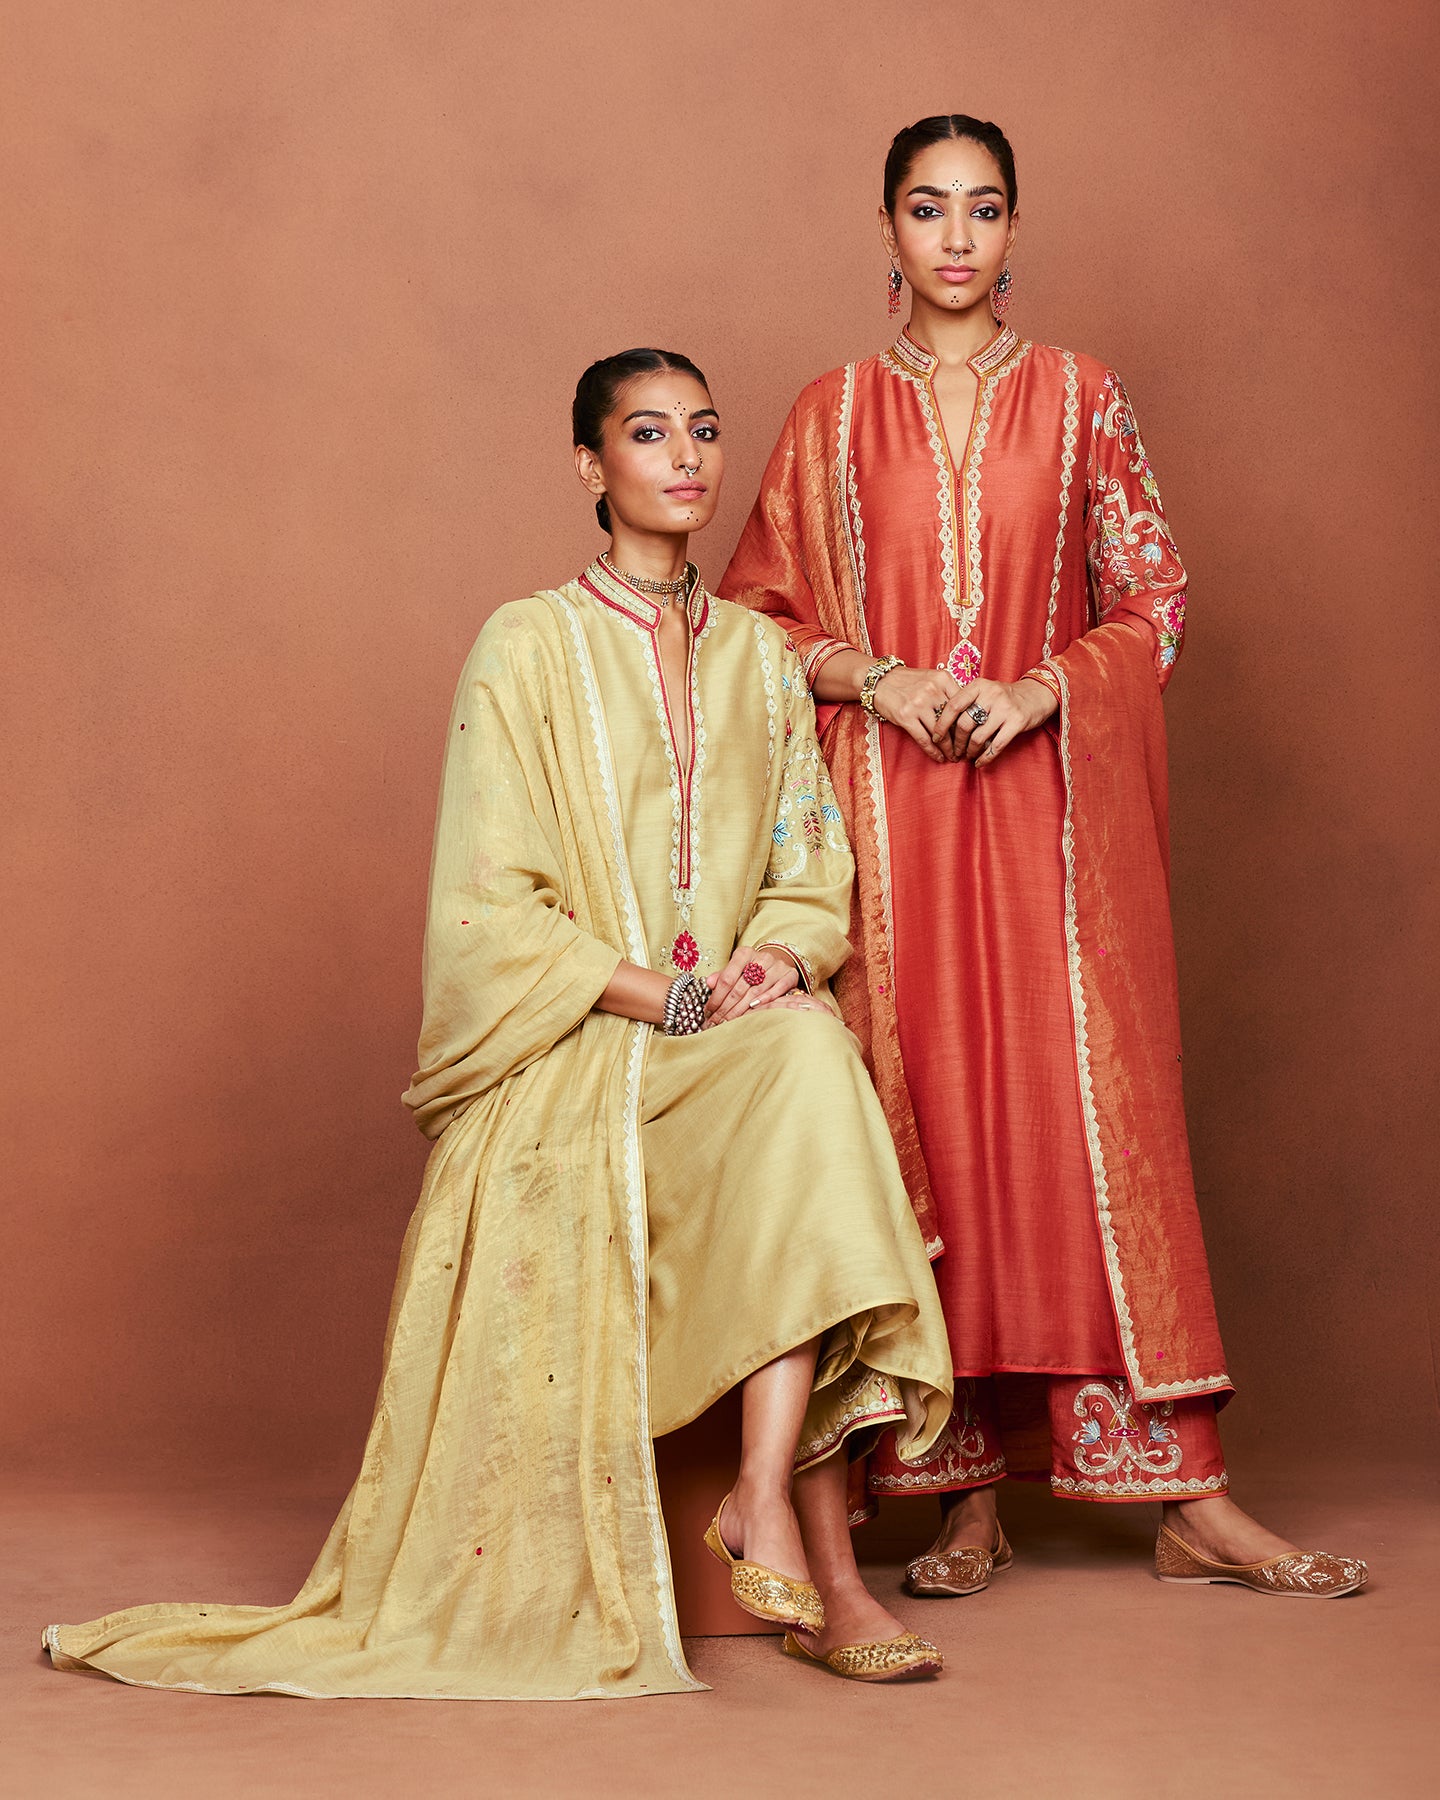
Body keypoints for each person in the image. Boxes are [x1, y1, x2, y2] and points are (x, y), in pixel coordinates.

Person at [42, 349, 956, 1701]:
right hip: (582, 1045)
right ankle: (812, 1560)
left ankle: (767, 1498)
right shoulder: (528, 645)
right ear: (592, 465)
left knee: (812, 1054)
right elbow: (487, 910)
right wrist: (662, 996)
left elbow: (811, 863)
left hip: (735, 1039)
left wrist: (773, 960)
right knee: (804, 1078)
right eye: (650, 433)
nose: (687, 457)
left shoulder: (763, 660)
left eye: (704, 431)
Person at [720, 117, 1367, 1601]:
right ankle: (963, 1496)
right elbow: (754, 617)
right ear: (886, 229)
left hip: (1051, 815)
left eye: (984, 208)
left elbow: (1155, 601)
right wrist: (882, 681)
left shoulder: (1083, 399)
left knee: (1078, 1130)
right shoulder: (828, 416)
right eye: (928, 208)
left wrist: (1037, 690)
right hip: (890, 815)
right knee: (932, 1129)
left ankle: (1188, 1498)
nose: (956, 237)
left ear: (1016, 230)